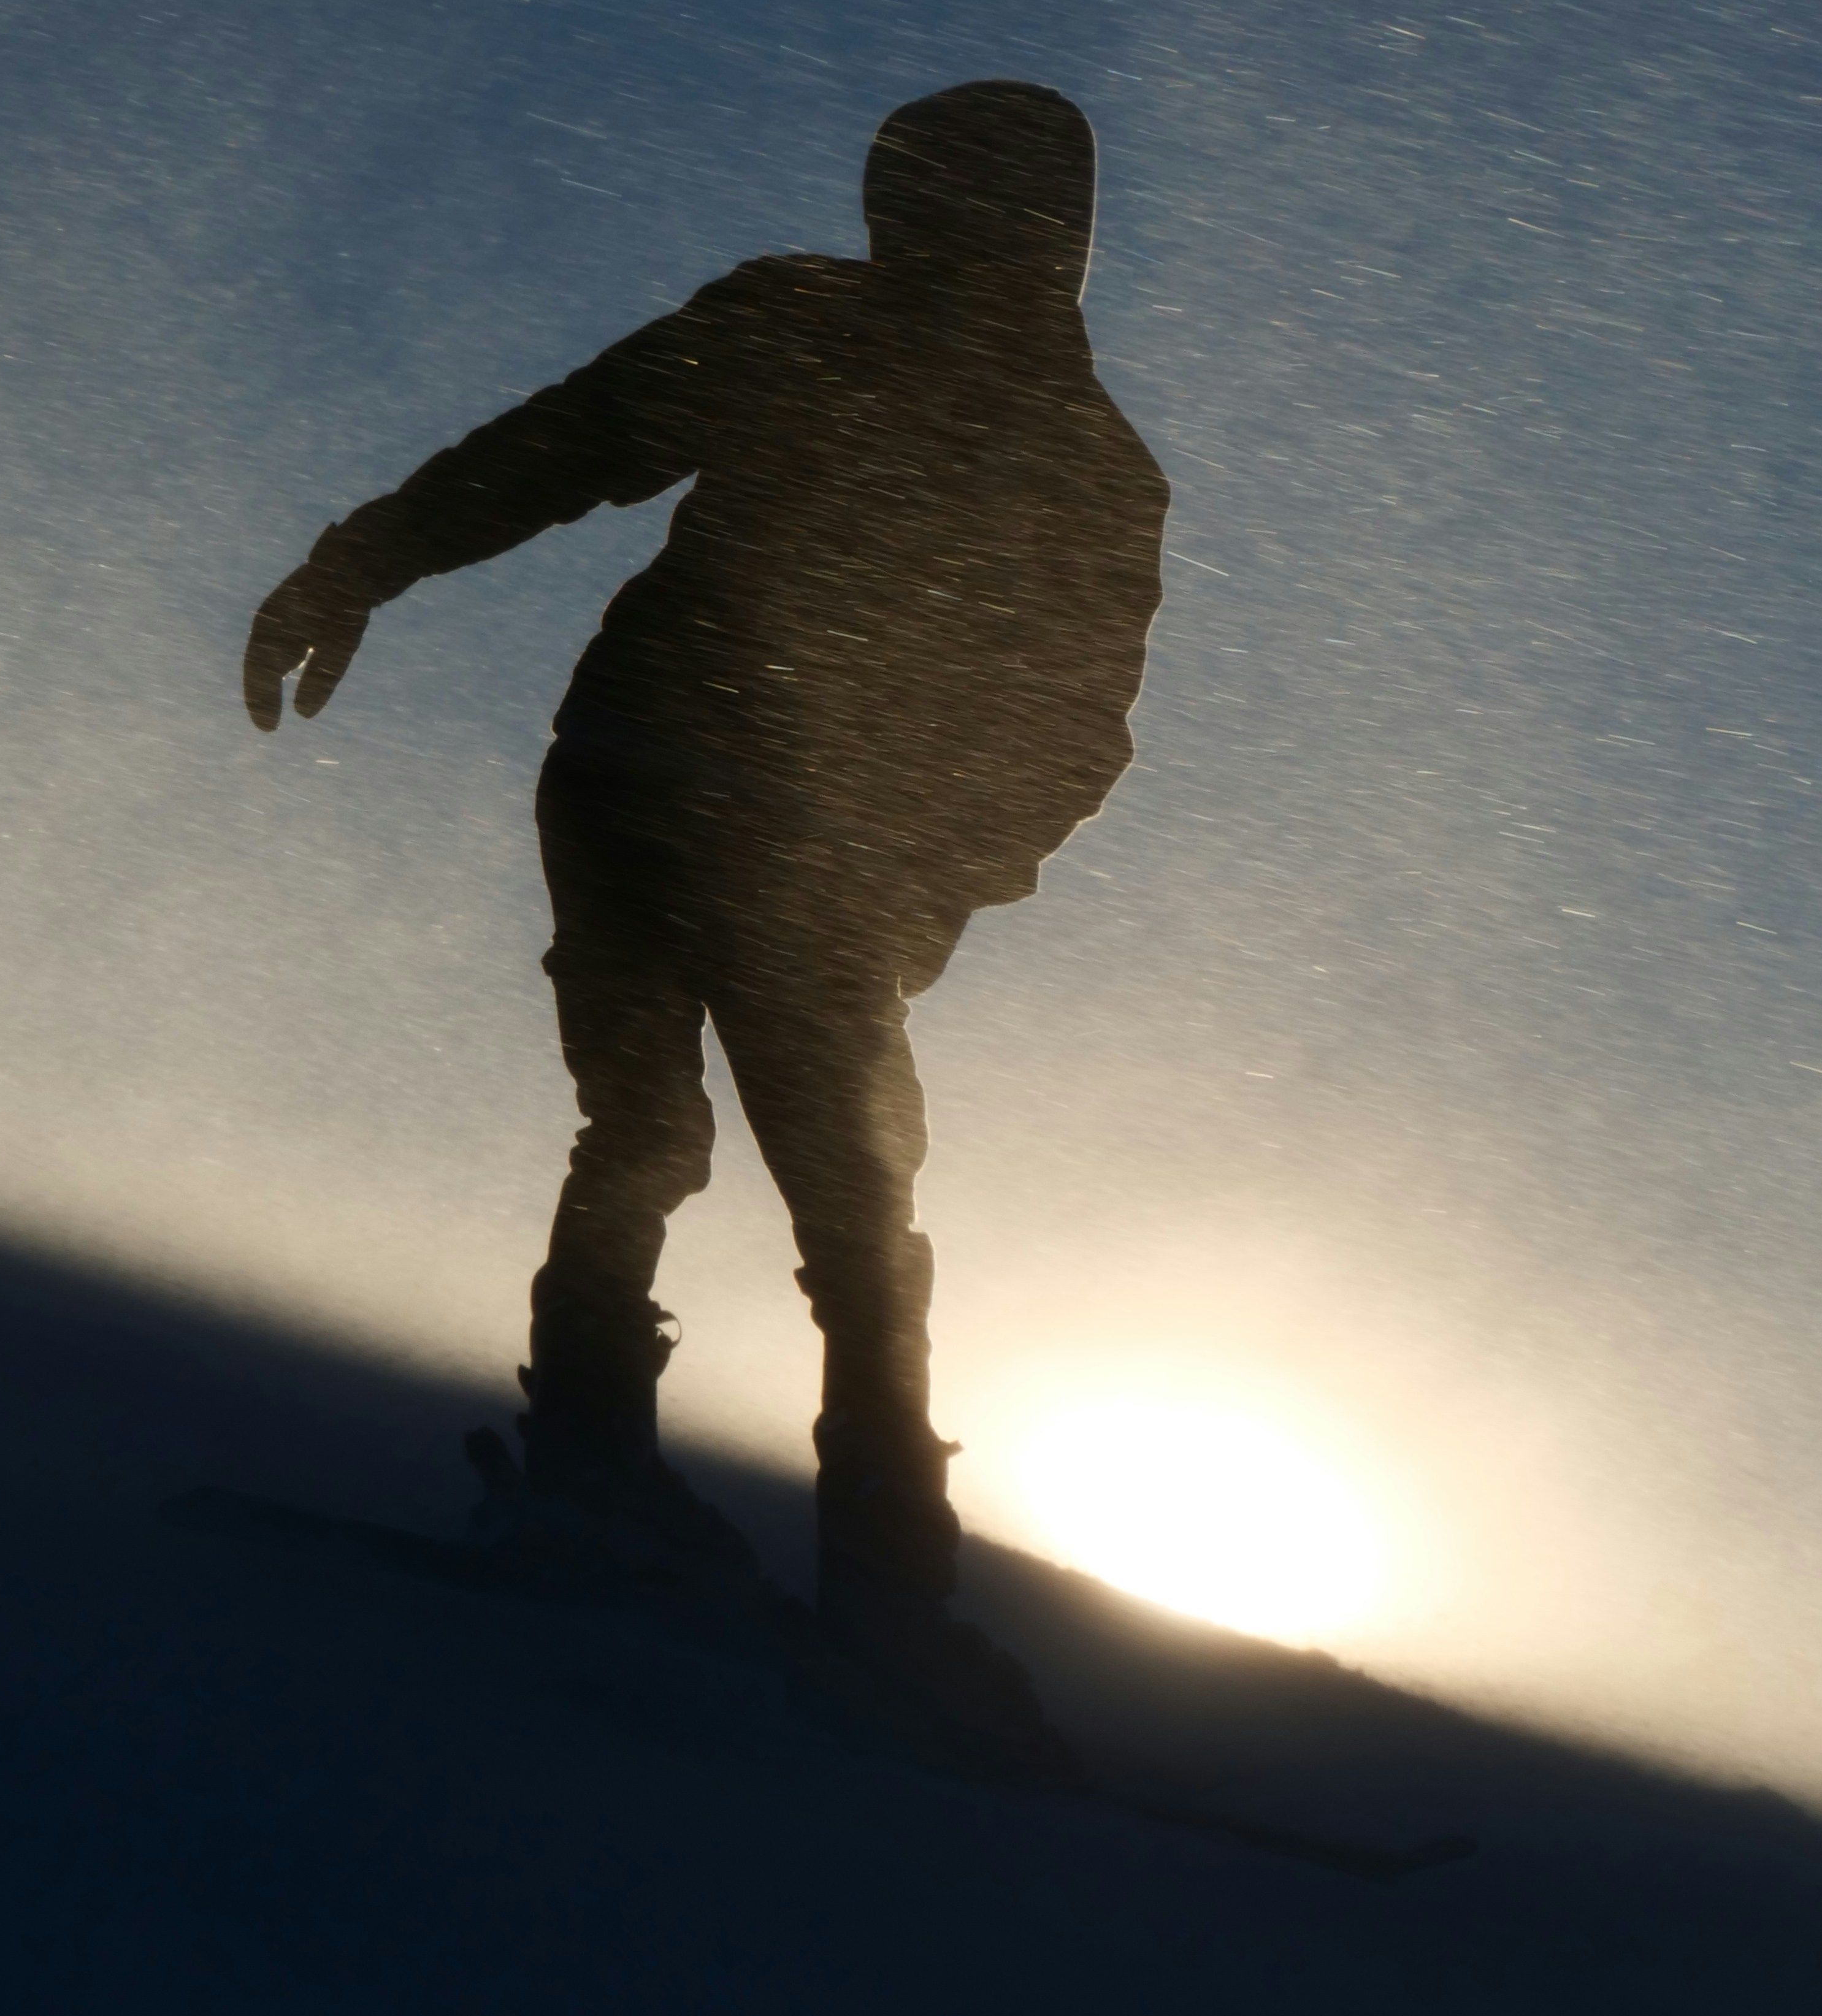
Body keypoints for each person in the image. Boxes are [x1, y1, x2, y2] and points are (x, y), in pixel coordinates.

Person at [243, 80, 1168, 1641]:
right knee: (808, 1194)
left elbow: (1064, 731)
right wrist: (365, 558)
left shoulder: (1045, 443)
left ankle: (660, 1493)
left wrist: (934, 877)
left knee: (707, 1154)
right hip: (687, 791)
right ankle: (846, 1575)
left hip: (689, 791)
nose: (921, 236)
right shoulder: (919, 376)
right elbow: (575, 441)